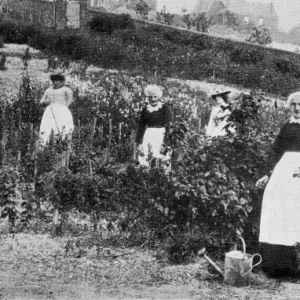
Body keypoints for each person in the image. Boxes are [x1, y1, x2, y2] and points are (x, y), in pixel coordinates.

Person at [256, 91, 300, 277]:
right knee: (278, 212)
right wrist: (267, 174)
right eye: (293, 104)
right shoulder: (287, 126)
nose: (297, 108)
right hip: (282, 174)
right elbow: (276, 150)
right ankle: (277, 266)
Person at [136, 84, 173, 168]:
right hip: (148, 134)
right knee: (146, 155)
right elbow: (141, 126)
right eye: (150, 97)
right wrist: (139, 142)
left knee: (160, 156)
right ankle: (146, 175)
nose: (152, 99)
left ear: (159, 97)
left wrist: (167, 142)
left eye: (155, 97)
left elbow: (169, 125)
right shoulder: (145, 109)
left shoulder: (164, 108)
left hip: (160, 134)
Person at [39, 73, 74, 147]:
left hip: (62, 111)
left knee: (63, 127)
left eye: (58, 80)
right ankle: (47, 144)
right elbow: (41, 101)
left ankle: (63, 143)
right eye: (54, 80)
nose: (55, 82)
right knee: (49, 127)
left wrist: (64, 108)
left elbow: (70, 100)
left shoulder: (66, 90)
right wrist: (45, 102)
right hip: (50, 111)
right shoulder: (48, 90)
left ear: (62, 81)